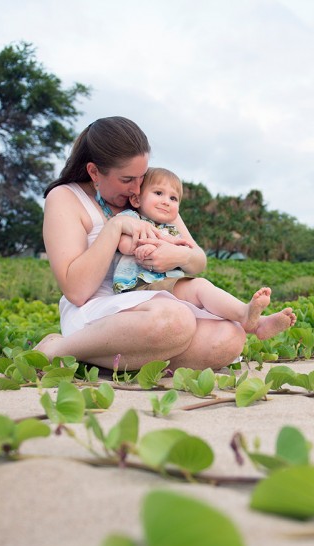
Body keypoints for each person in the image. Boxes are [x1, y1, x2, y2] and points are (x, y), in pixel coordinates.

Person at [35, 117, 253, 371]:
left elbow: (198, 260)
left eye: (141, 176)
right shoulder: (65, 198)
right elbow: (76, 291)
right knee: (174, 320)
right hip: (97, 312)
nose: (137, 188)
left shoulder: (149, 195)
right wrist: (115, 228)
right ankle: (59, 349)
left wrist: (178, 256)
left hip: (155, 303)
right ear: (94, 172)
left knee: (229, 337)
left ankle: (122, 357)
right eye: (127, 180)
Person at [111, 167, 296, 340]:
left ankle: (254, 321)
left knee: (203, 292)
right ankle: (247, 317)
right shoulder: (132, 218)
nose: (166, 201)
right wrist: (142, 247)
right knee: (198, 298)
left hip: (167, 285)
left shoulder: (172, 229)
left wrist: (177, 250)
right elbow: (123, 244)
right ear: (136, 199)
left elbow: (193, 256)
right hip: (139, 288)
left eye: (173, 198)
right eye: (158, 193)